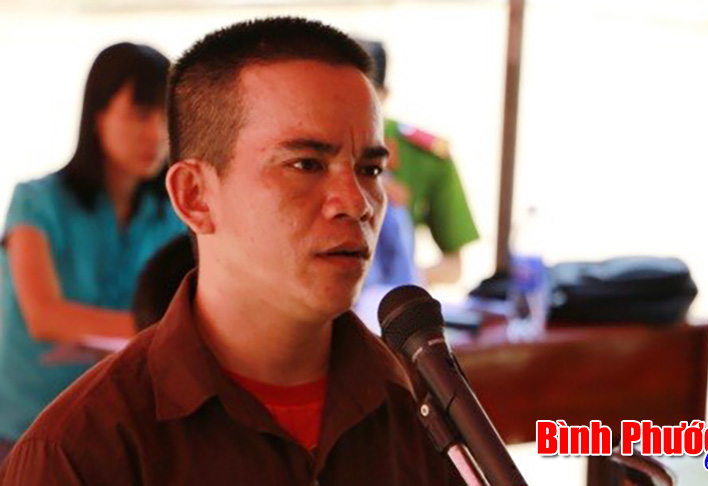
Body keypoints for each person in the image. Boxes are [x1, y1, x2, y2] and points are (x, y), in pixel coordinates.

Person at [0, 18, 463, 485]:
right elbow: (45, 316)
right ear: (194, 198)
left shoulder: (420, 413)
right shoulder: (78, 455)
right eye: (305, 164)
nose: (357, 202)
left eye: (370, 170)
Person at [0, 42, 186, 455]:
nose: (157, 134)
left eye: (166, 117)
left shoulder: (174, 215)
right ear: (98, 116)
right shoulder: (35, 201)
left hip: (115, 425)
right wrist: (167, 329)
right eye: (141, 114)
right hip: (22, 426)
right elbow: (44, 317)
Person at [358, 39, 480, 285]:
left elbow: (453, 266)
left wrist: (400, 281)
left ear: (383, 95)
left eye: (360, 97)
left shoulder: (424, 156)